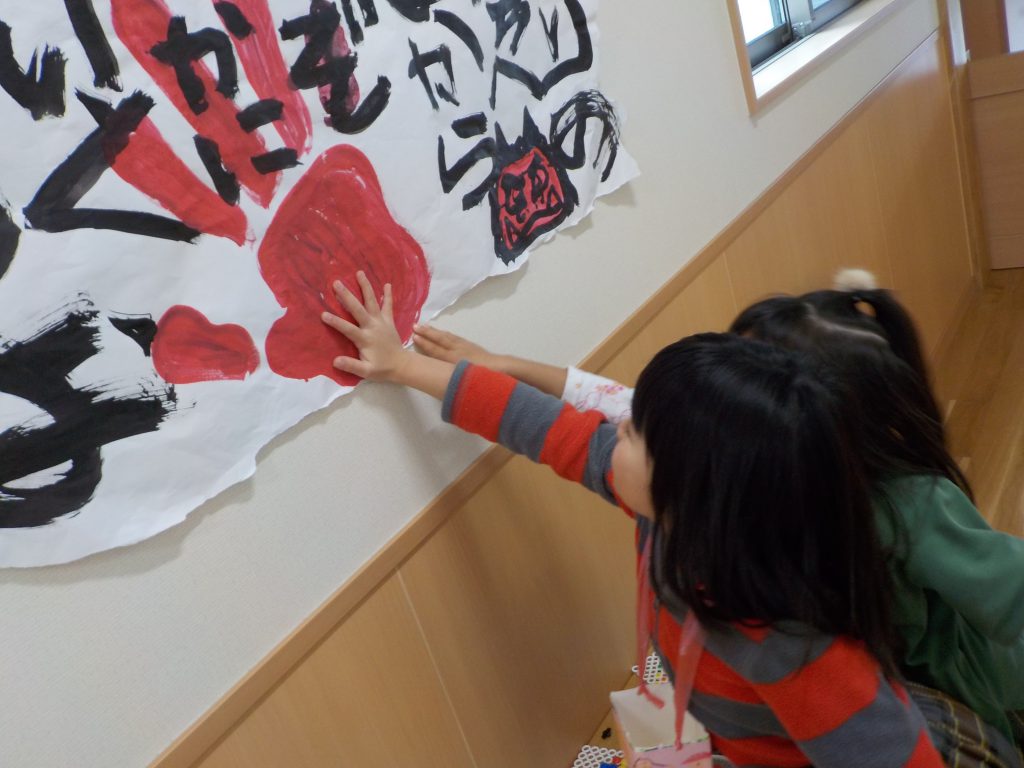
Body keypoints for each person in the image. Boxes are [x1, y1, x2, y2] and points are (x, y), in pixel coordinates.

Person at [321, 271, 945, 768]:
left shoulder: (797, 647)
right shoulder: (672, 512)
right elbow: (545, 425)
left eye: (636, 431)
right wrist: (403, 366)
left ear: (695, 489)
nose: (615, 427)